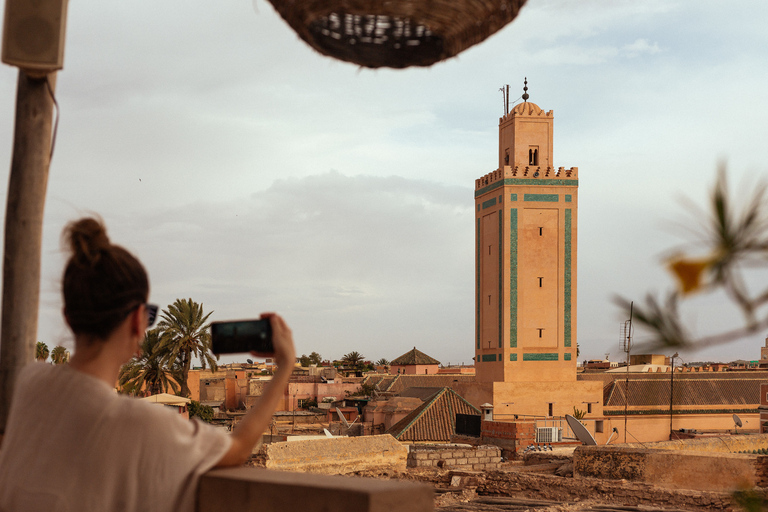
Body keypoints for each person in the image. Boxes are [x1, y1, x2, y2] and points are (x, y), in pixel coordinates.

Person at [0, 217, 296, 512]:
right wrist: (285, 365)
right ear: (136, 321)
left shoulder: (31, 382)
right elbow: (239, 447)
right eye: (150, 315)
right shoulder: (142, 425)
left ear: (67, 316)